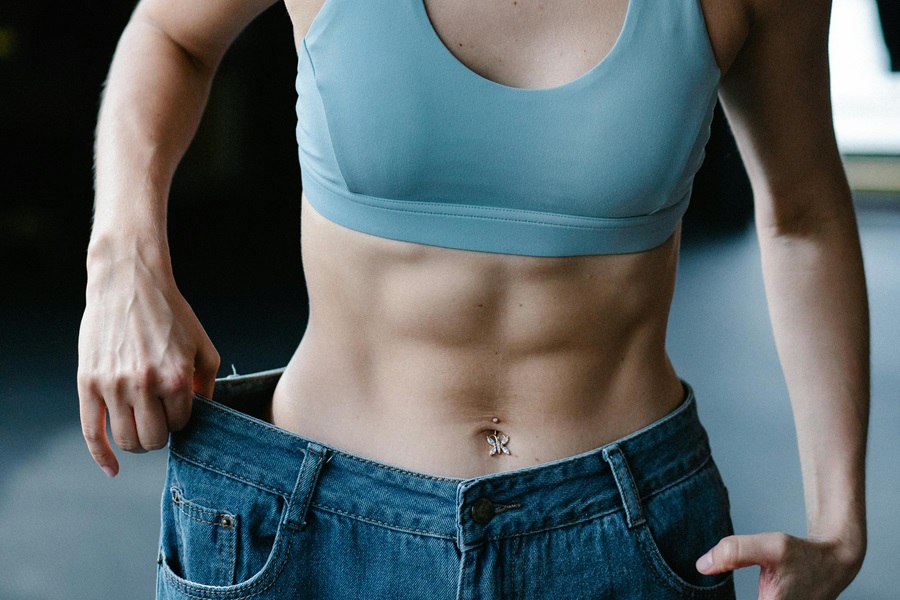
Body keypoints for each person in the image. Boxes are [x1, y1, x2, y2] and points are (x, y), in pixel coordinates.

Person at [77, 0, 869, 597]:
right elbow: (169, 33)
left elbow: (804, 215)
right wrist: (122, 259)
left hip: (618, 539)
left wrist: (841, 522)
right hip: (308, 533)